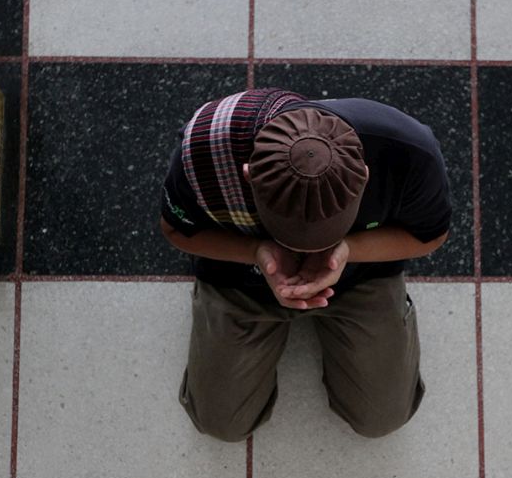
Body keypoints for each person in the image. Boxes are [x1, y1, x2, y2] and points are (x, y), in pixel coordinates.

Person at [160, 88, 451, 442]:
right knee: (219, 423)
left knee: (382, 419)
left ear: (363, 174)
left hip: (358, 271)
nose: (304, 249)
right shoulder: (205, 150)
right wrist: (256, 252)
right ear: (250, 176)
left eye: (327, 229)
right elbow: (177, 229)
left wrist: (346, 251)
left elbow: (430, 235)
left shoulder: (408, 152)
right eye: (289, 232)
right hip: (243, 273)